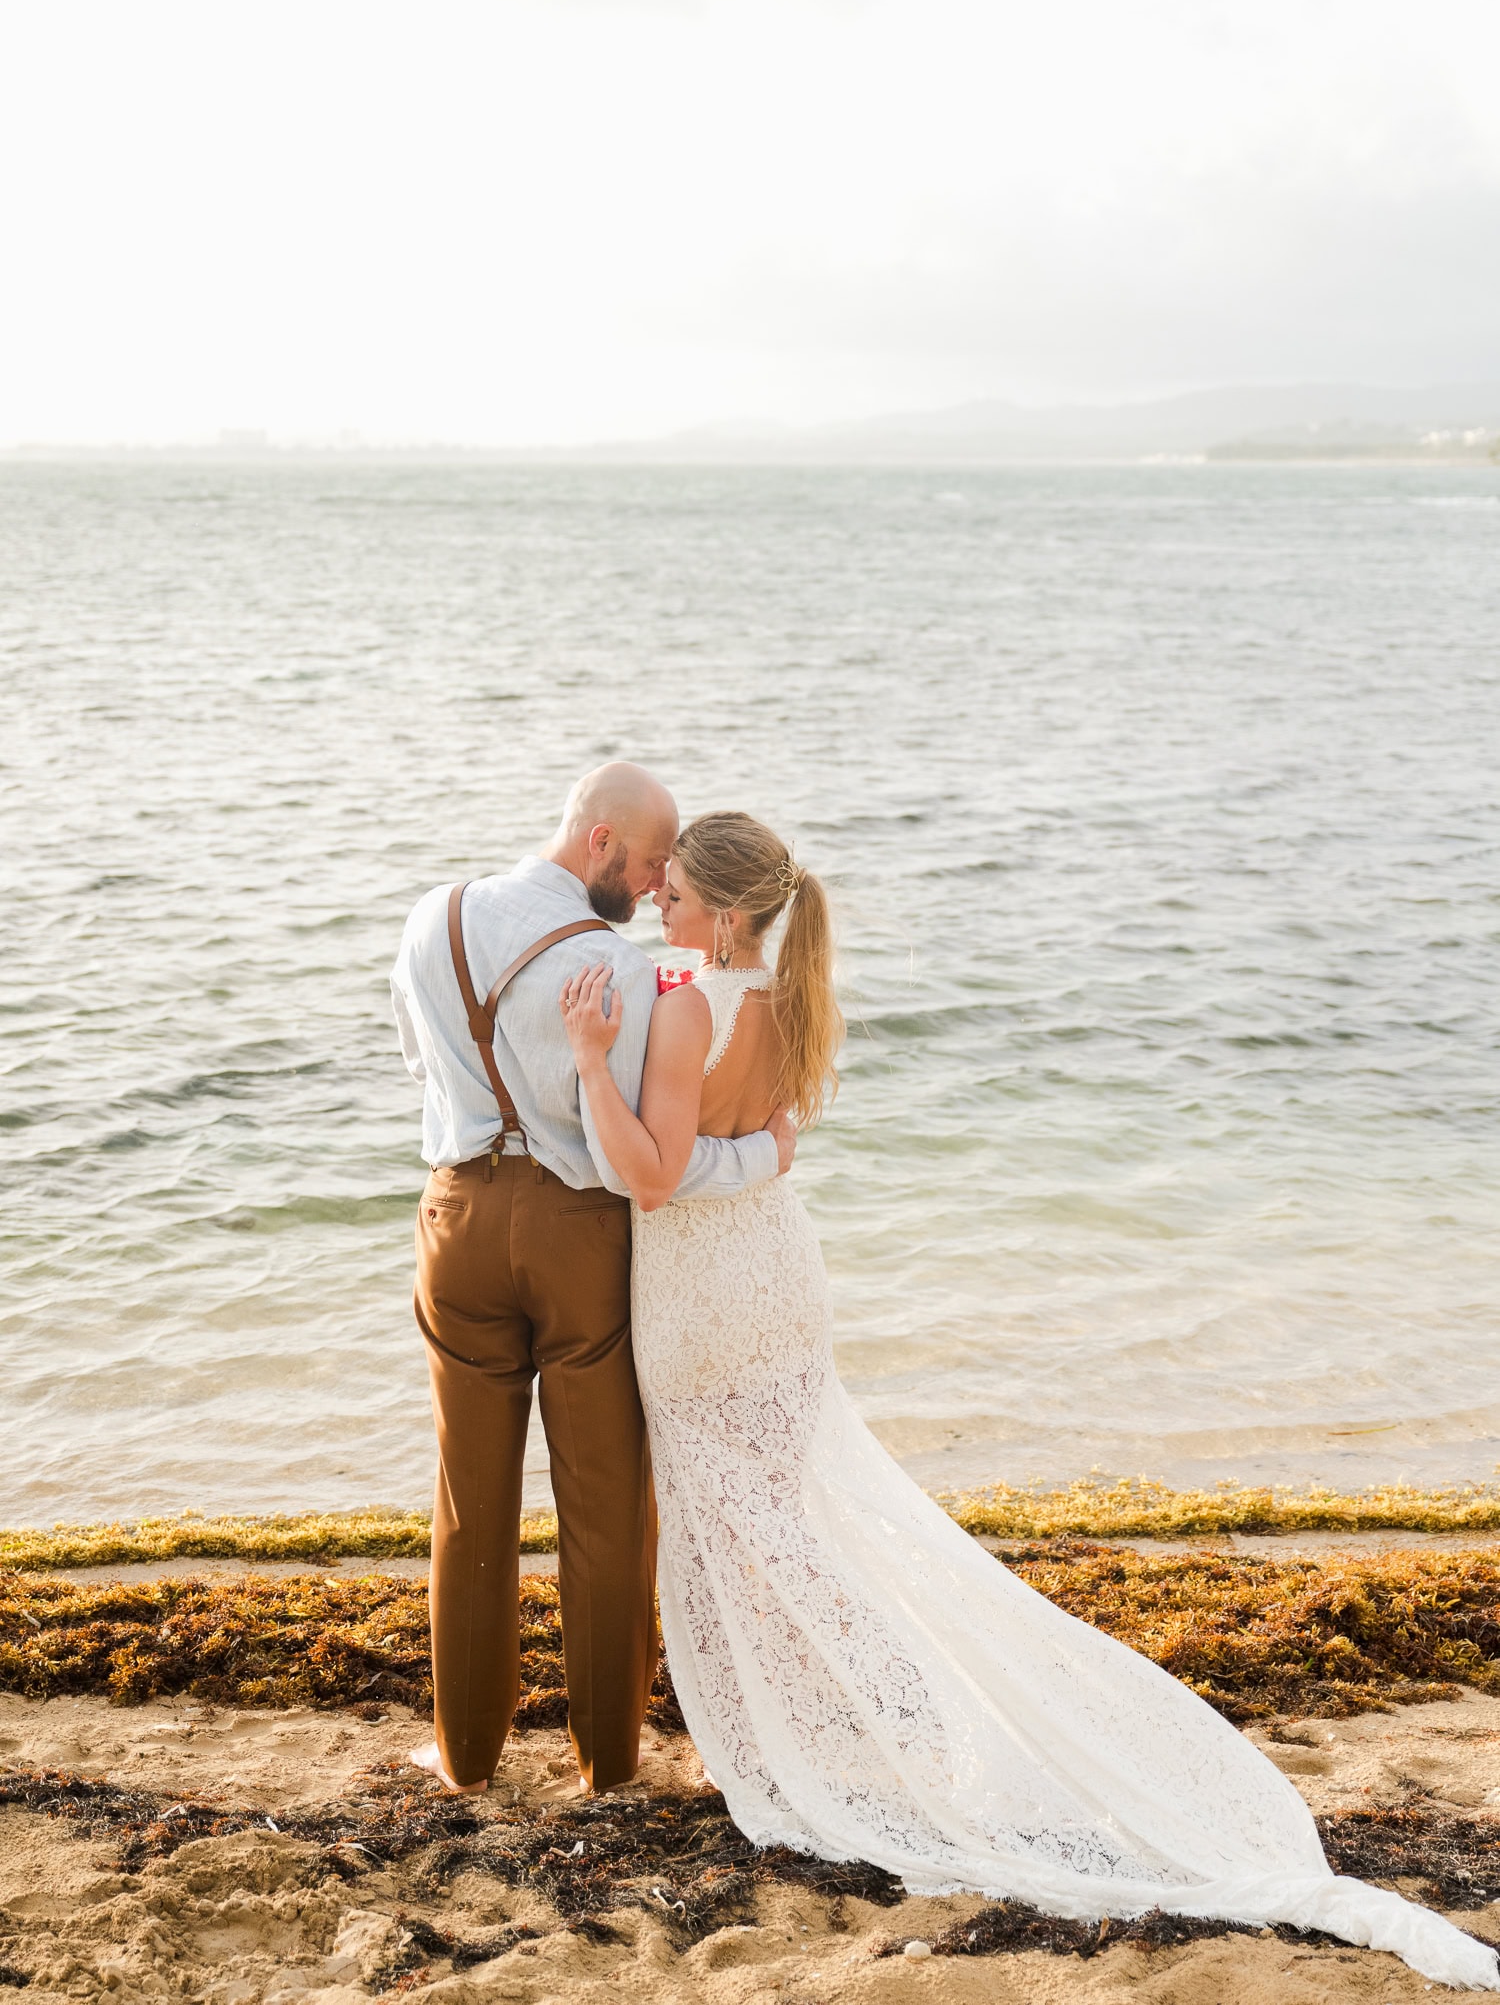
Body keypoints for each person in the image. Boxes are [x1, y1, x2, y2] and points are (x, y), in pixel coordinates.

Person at [560, 808, 1499, 1991]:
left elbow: (646, 1178)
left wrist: (593, 1059)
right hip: (781, 1281)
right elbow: (778, 1142)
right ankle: (885, 1720)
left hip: (700, 1300)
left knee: (727, 1535)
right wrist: (712, 1128)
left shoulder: (687, 1003)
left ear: (729, 915)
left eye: (681, 898)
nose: (662, 908)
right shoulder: (787, 995)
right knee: (795, 1522)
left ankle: (802, 1743)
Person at [390, 765, 795, 1800]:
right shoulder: (617, 971)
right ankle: (607, 1764)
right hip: (576, 1236)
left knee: (468, 1505)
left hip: (456, 1220)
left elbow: (424, 1075)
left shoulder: (428, 922)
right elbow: (639, 1163)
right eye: (656, 859)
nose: (663, 882)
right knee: (606, 1508)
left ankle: (464, 1758)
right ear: (604, 842)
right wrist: (761, 1161)